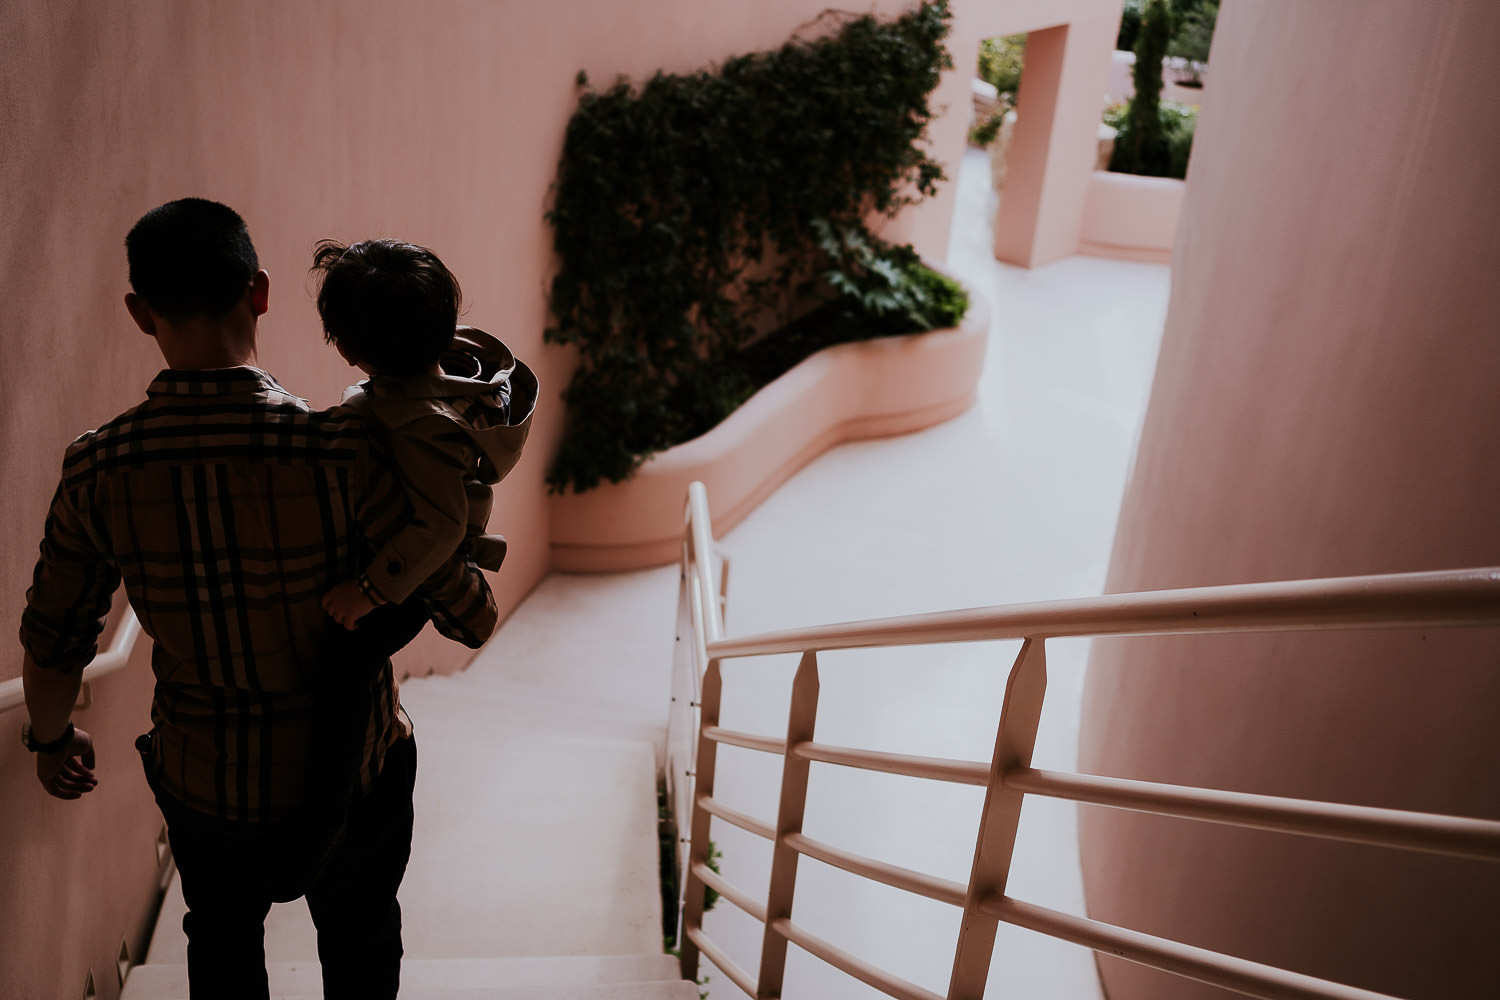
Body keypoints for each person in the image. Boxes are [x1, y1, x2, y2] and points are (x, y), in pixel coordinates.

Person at [19, 198, 498, 1000]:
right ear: (262, 293)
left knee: (222, 946)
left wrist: (49, 736)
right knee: (360, 942)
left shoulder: (96, 467)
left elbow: (56, 633)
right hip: (353, 775)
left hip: (205, 782)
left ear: (141, 313)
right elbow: (464, 609)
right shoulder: (343, 449)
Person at [312, 238, 536, 631]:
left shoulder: (422, 428)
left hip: (409, 578)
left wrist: (365, 593)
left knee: (342, 666)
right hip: (415, 564)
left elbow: (443, 527)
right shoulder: (453, 372)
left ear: (346, 349)